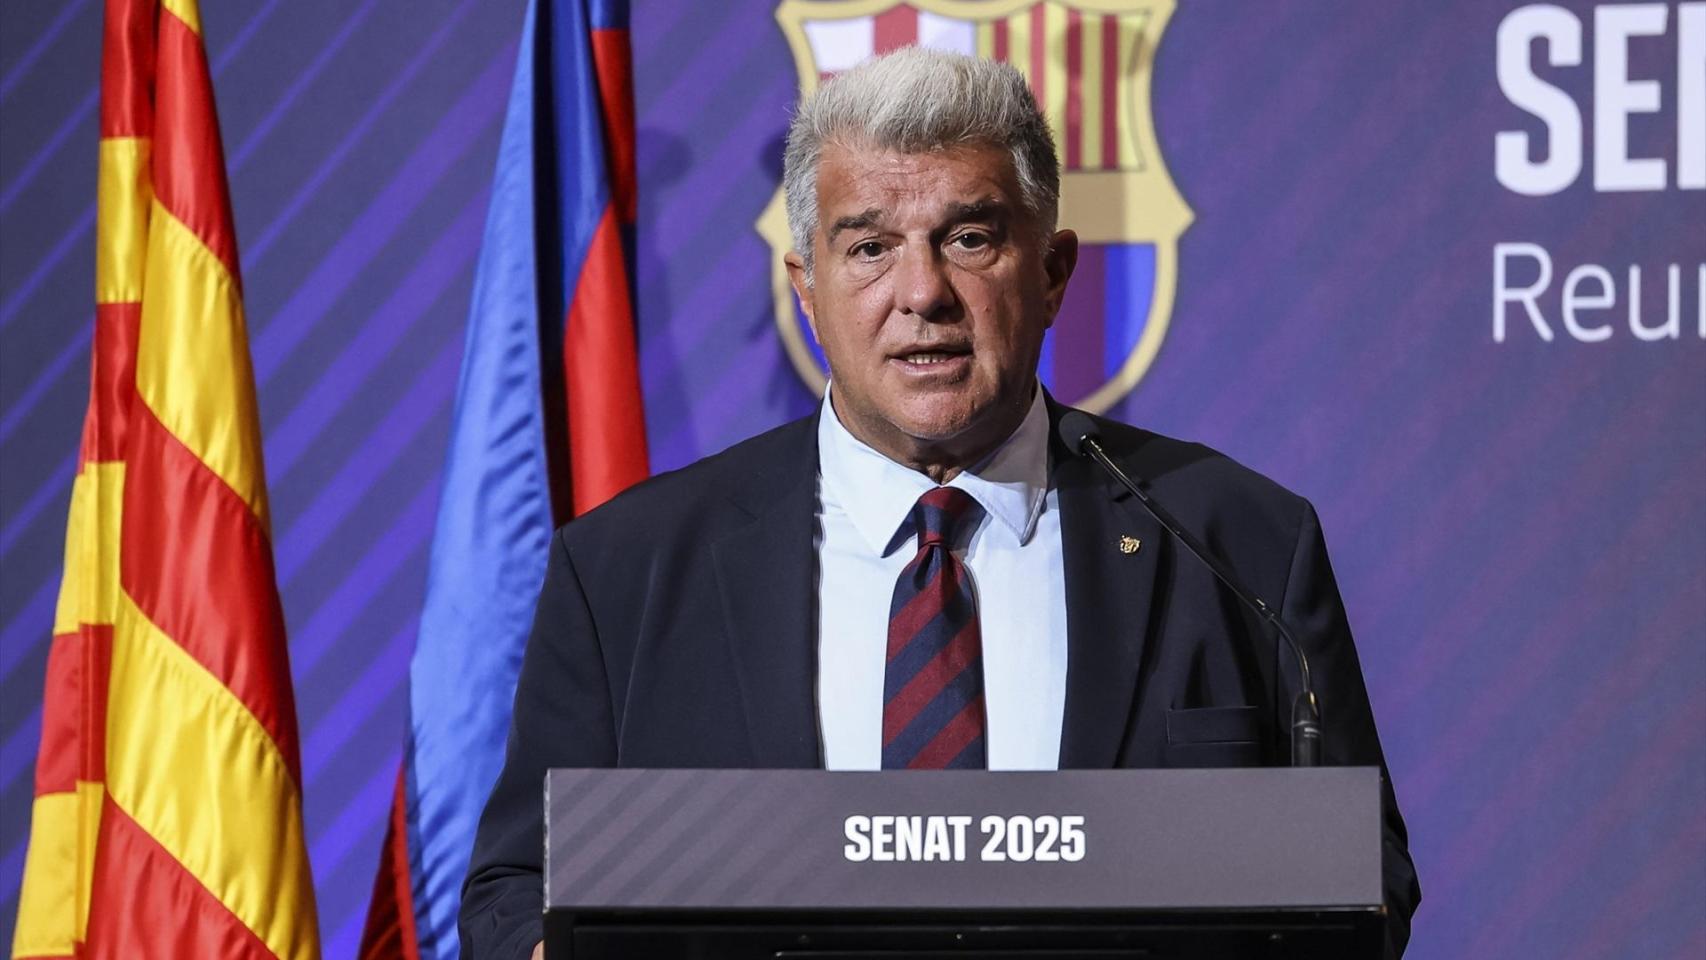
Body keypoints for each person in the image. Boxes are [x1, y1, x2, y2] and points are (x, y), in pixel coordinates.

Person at [460, 47, 1420, 960]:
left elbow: (1364, 876)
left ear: (1052, 273)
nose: (923, 292)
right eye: (869, 247)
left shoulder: (1238, 543)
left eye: (970, 239)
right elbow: (517, 888)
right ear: (806, 288)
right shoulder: (626, 568)